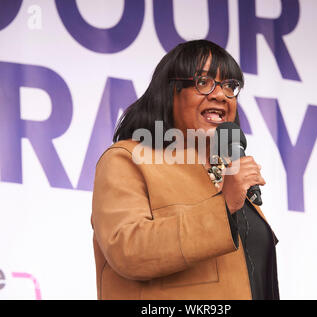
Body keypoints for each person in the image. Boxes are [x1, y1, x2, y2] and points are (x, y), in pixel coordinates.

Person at [91, 40, 279, 300]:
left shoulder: (224, 170)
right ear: (170, 92)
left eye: (230, 86)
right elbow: (127, 249)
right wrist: (223, 206)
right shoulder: (128, 159)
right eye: (203, 82)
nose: (221, 95)